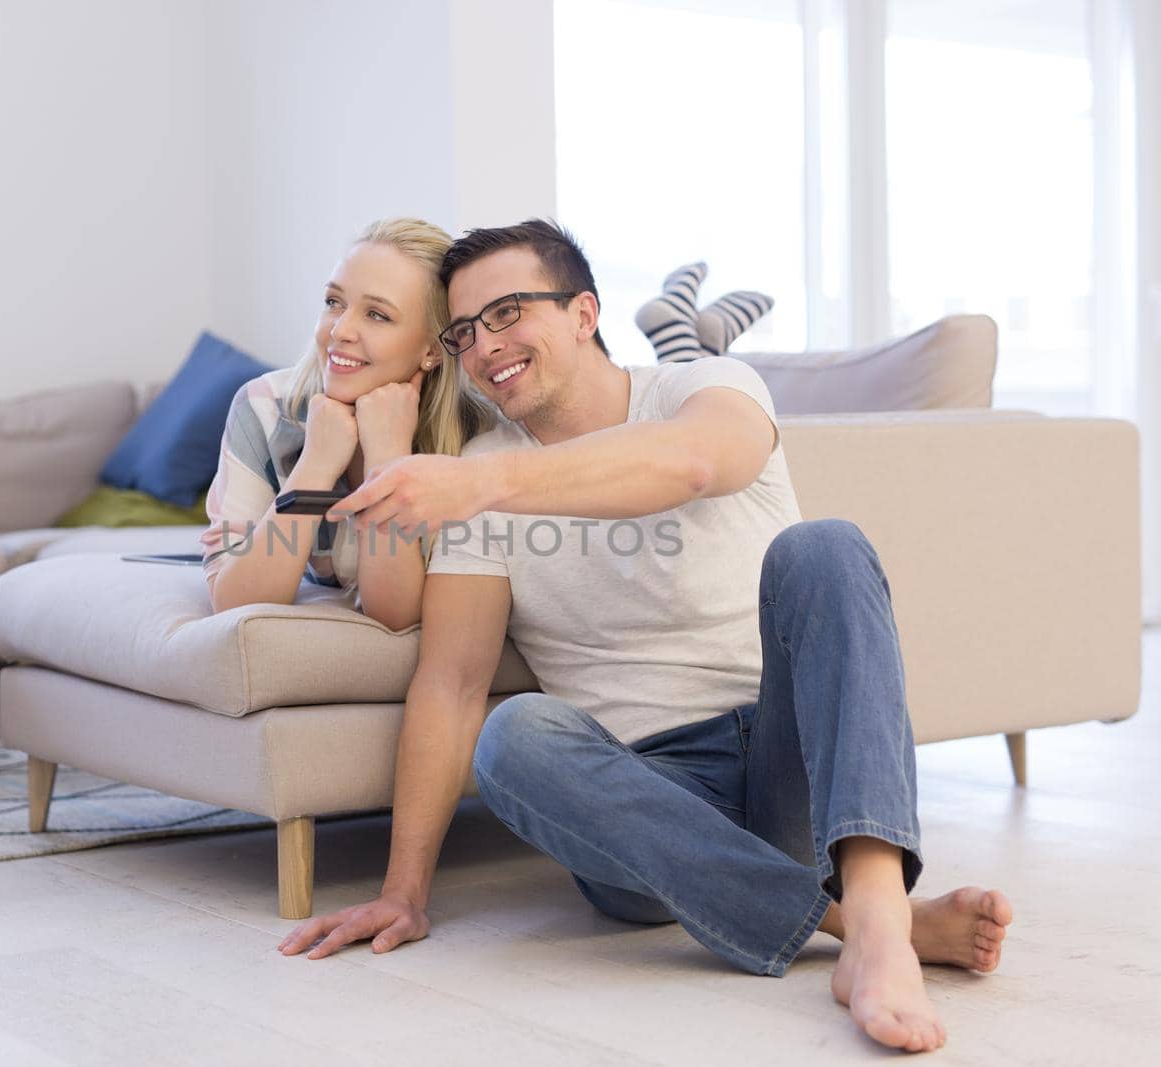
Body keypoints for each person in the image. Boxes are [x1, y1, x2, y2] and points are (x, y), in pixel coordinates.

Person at [277, 220, 1014, 1055]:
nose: (487, 346)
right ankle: (861, 925)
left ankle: (879, 925)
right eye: (465, 331)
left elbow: (694, 462)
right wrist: (404, 890)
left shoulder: (704, 388)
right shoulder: (478, 474)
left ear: (585, 311)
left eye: (510, 312)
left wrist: (480, 483)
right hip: (646, 810)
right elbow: (449, 685)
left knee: (828, 547)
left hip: (788, 764)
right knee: (513, 734)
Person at [201, 217, 489, 630]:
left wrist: (387, 457)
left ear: (434, 349)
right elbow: (236, 604)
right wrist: (315, 465)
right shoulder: (265, 406)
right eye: (334, 302)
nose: (340, 330)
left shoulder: (477, 435)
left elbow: (394, 616)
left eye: (376, 314)